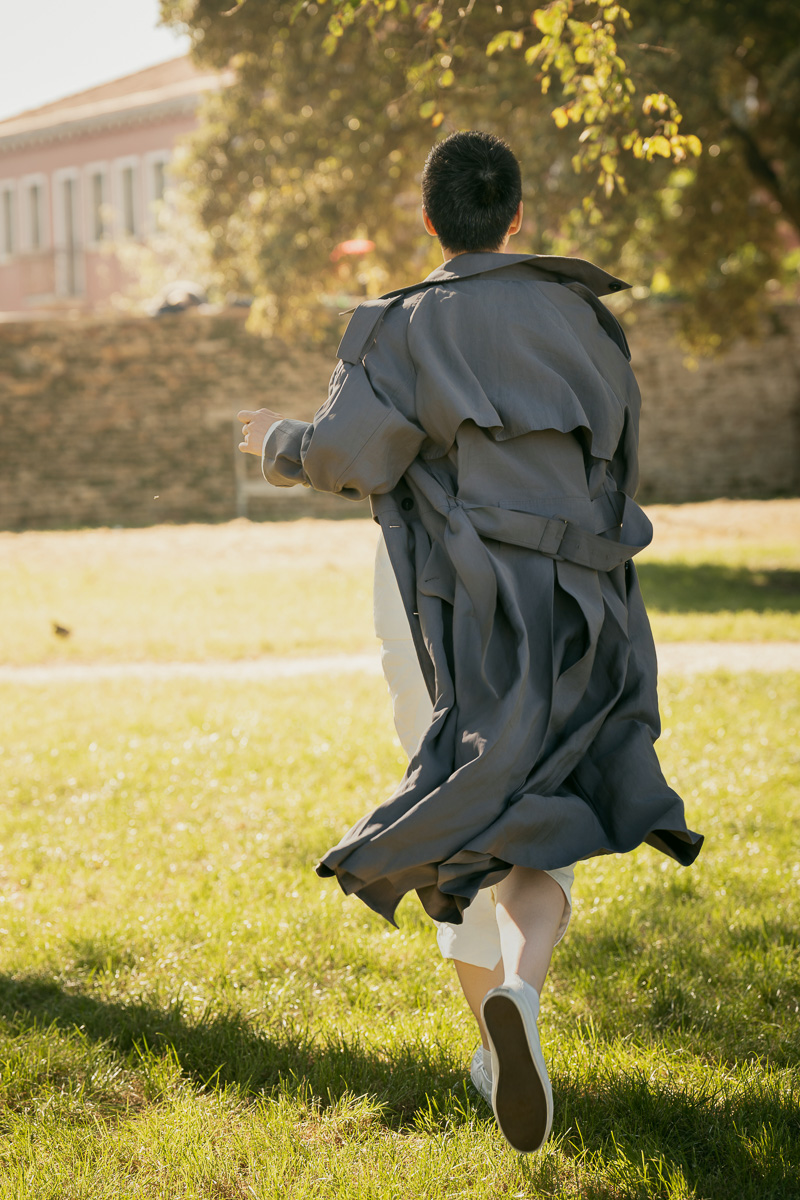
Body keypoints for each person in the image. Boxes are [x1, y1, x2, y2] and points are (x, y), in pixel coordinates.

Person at [237, 130, 703, 1154]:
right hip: (580, 601)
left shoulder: (400, 323)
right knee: (547, 810)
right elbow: (619, 456)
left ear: (426, 219)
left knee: (458, 800)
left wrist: (271, 441)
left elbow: (344, 456)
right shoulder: (585, 318)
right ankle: (521, 1001)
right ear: (518, 218)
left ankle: (490, 1049)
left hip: (446, 610)